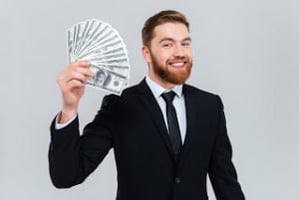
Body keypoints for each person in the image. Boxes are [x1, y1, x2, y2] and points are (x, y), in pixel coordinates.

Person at [49, 10, 245, 200]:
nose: (180, 52)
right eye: (167, 44)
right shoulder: (119, 105)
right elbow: (67, 176)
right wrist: (69, 108)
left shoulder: (210, 106)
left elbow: (225, 181)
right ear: (147, 53)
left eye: (185, 43)